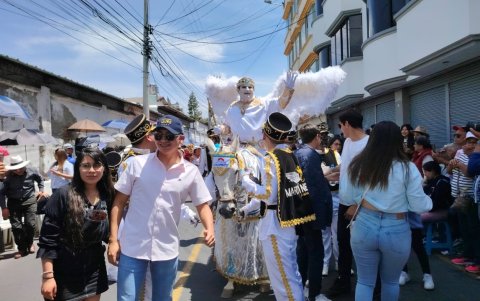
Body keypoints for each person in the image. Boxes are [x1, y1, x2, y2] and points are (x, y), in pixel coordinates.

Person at [108, 115, 214, 301]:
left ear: (180, 139)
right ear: (152, 137)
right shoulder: (136, 164)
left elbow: (202, 204)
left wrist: (210, 228)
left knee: (163, 298)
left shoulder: (190, 171)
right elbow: (118, 202)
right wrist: (113, 240)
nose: (163, 141)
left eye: (169, 136)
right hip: (132, 247)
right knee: (127, 298)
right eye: (159, 136)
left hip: (166, 249)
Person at [340, 121, 432, 301]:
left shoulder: (357, 165)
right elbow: (419, 206)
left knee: (365, 282)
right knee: (390, 282)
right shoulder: (407, 168)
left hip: (364, 224)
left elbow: (346, 197)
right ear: (398, 141)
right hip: (396, 227)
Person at [241, 112, 316, 301]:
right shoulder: (288, 155)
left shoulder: (271, 158)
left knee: (282, 280)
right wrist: (247, 208)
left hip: (274, 225)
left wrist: (246, 181)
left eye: (263, 135)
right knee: (291, 274)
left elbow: (268, 195)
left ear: (266, 136)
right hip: (286, 224)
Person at [38, 147, 113, 301]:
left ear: (104, 168)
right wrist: (48, 277)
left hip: (94, 269)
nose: (91, 170)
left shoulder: (108, 196)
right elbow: (47, 240)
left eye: (96, 165)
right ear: (77, 168)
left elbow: (111, 230)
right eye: (85, 165)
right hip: (65, 270)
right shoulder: (62, 195)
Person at [325, 109, 369, 298]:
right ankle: (344, 281)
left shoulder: (369, 144)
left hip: (362, 206)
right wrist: (329, 173)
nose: (340, 129)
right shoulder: (349, 142)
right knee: (343, 245)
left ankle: (367, 285)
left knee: (363, 247)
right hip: (345, 202)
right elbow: (347, 167)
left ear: (347, 124)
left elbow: (370, 179)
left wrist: (356, 204)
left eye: (340, 125)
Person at [295, 124, 333, 301]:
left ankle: (302, 288)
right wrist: (320, 215)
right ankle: (315, 294)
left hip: (303, 211)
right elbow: (313, 189)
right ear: (317, 136)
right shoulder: (310, 155)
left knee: (303, 251)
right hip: (311, 211)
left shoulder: (300, 152)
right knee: (315, 252)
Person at [213, 72, 298, 143]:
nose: (247, 89)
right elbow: (228, 128)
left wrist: (288, 89)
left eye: (250, 87)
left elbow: (281, 103)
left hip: (258, 150)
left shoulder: (263, 104)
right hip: (237, 150)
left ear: (253, 90)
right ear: (238, 90)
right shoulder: (232, 108)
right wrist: (221, 129)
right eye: (244, 87)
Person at [0, 155, 47, 259]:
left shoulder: (32, 170)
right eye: (16, 169)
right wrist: (4, 208)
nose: (18, 171)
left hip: (29, 200)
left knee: (30, 223)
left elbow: (40, 180)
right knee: (16, 227)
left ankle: (30, 243)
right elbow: (1, 193)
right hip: (13, 202)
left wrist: (41, 190)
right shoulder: (7, 177)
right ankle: (21, 249)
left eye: (20, 168)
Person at [321, 135, 343, 276]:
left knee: (337, 233)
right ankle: (325, 263)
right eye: (335, 144)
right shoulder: (319, 155)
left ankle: (339, 262)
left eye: (339, 144)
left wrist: (328, 174)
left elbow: (341, 173)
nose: (338, 146)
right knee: (325, 234)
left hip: (336, 195)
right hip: (323, 197)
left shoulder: (337, 155)